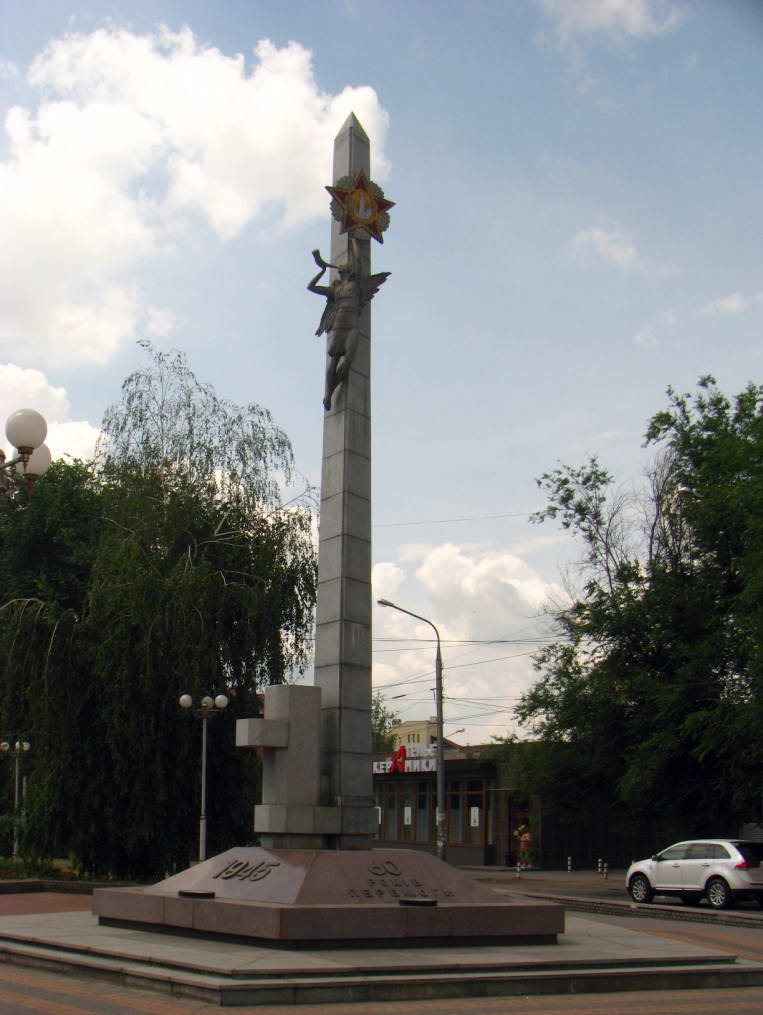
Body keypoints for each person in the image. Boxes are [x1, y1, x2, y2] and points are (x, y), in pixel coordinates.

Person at [308, 245, 389, 410]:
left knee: (348, 361)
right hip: (339, 325)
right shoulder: (335, 289)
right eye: (349, 269)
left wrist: (353, 242)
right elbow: (311, 287)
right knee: (334, 361)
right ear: (344, 272)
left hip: (352, 325)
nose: (352, 271)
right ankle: (328, 395)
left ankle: (330, 392)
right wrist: (323, 270)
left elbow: (359, 262)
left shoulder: (357, 286)